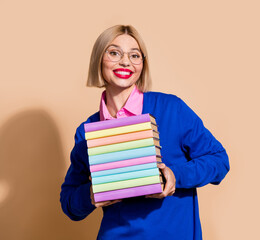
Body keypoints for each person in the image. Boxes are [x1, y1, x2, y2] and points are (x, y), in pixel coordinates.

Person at [60, 24, 230, 240]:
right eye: (114, 53)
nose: (125, 61)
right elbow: (69, 203)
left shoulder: (172, 109)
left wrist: (175, 175)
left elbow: (220, 161)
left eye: (135, 55)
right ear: (99, 60)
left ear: (142, 64)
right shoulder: (86, 132)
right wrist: (91, 194)